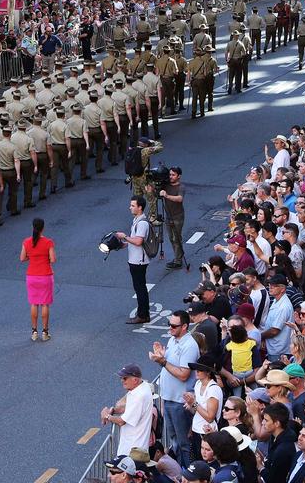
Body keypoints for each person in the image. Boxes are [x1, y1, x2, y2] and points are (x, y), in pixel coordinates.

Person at [151, 309, 200, 466]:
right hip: (169, 399)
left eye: (173, 326)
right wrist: (162, 355)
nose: (170, 328)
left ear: (184, 326)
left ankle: (186, 473)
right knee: (174, 441)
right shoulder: (173, 340)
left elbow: (183, 374)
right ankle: (179, 471)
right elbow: (171, 364)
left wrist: (163, 362)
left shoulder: (190, 345)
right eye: (169, 324)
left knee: (184, 443)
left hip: (180, 402)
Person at [102, 363, 155, 457]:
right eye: (121, 378)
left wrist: (107, 416)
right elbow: (129, 408)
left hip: (132, 450)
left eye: (125, 378)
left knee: (120, 471)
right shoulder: (143, 386)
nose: (122, 380)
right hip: (135, 448)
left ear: (135, 380)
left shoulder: (139, 397)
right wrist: (113, 410)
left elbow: (122, 421)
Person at [115, 195, 151, 324]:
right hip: (134, 259)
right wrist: (122, 245)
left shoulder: (142, 223)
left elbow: (138, 241)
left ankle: (143, 315)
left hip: (139, 261)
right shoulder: (137, 220)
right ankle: (143, 312)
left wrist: (124, 236)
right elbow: (133, 241)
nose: (130, 208)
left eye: (133, 205)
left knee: (140, 288)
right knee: (140, 287)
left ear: (140, 207)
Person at [20, 217, 57, 341]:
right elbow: (53, 259)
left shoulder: (26, 242)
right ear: (43, 228)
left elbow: (22, 258)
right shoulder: (48, 242)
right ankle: (45, 332)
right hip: (46, 276)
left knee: (34, 303)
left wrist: (32, 258)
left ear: (32, 228)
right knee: (45, 304)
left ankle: (34, 331)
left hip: (31, 276)